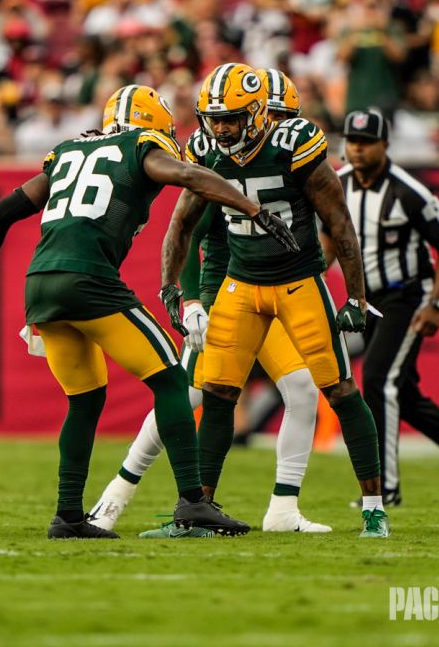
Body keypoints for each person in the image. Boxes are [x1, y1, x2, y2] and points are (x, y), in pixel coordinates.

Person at [0, 84, 299, 539]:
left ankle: (68, 516)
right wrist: (254, 210)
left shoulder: (66, 151)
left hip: (40, 285)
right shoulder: (141, 144)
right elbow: (189, 177)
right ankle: (193, 503)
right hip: (89, 280)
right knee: (171, 379)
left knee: (85, 399)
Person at [89, 70, 331, 534]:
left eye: (282, 119)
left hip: (272, 295)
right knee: (185, 397)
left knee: (301, 391)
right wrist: (194, 299)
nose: (274, 130)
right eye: (271, 117)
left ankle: (283, 510)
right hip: (227, 298)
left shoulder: (291, 159)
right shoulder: (215, 160)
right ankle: (115, 496)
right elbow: (190, 234)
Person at [160, 62, 390, 538]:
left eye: (232, 117)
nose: (220, 128)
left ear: (260, 113)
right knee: (219, 395)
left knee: (339, 389)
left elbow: (339, 224)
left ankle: (373, 507)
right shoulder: (204, 148)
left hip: (297, 282)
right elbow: (182, 223)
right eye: (214, 118)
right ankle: (199, 511)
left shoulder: (294, 145)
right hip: (239, 284)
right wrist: (176, 290)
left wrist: (357, 296)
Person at [327, 109, 439, 507]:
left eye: (366, 143)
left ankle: (385, 489)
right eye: (352, 142)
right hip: (364, 300)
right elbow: (327, 237)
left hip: (406, 295)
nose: (358, 150)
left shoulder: (409, 191)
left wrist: (435, 304)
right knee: (402, 392)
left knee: (380, 381)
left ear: (385, 145)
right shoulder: (336, 184)